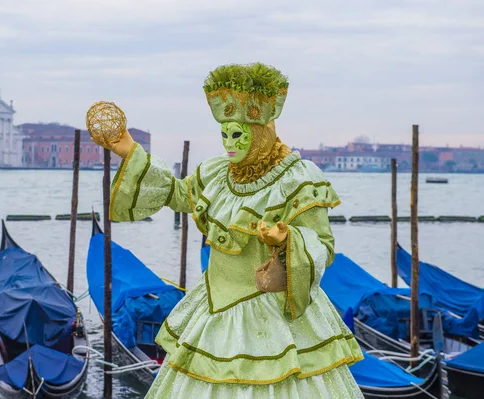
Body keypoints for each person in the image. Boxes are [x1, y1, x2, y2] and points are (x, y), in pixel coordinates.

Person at [91, 63, 364, 398]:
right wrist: (131, 153)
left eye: (238, 135)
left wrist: (287, 240)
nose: (229, 145)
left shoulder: (298, 177)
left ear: (262, 130)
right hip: (215, 310)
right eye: (224, 135)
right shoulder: (219, 172)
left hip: (274, 316)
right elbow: (179, 194)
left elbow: (323, 244)